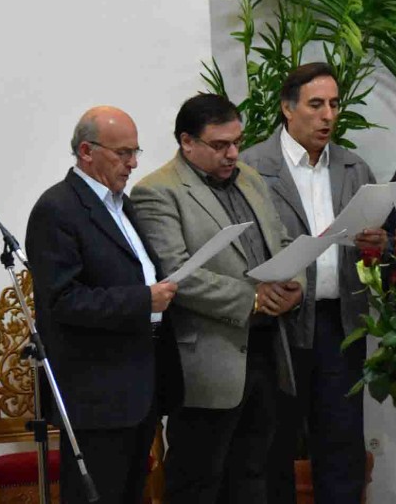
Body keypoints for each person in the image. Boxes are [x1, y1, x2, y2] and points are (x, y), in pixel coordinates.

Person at [131, 94, 305, 503]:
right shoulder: (157, 191)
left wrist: (295, 285)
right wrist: (252, 298)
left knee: (253, 475)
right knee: (198, 481)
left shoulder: (249, 178)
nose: (232, 154)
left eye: (237, 142)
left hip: (266, 351)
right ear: (187, 142)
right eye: (220, 145)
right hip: (207, 360)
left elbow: (281, 241)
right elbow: (176, 273)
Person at [241, 63, 385, 504]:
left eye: (334, 105)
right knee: (274, 445)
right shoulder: (252, 167)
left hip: (341, 324)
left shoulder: (354, 167)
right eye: (316, 104)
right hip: (277, 328)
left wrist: (377, 245)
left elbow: (377, 245)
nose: (328, 116)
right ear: (287, 108)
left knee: (342, 446)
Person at [25, 106, 183, 504]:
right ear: (86, 151)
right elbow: (63, 300)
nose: (133, 163)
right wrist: (144, 299)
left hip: (140, 383)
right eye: (123, 153)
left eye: (135, 152)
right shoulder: (57, 209)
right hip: (97, 394)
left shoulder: (121, 205)